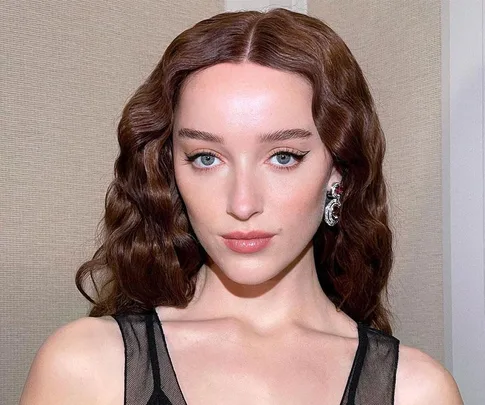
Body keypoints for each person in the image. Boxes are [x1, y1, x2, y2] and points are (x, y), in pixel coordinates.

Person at [20, 8, 463, 405]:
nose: (242, 203)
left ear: (338, 172)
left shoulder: (416, 390)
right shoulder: (86, 368)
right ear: (170, 168)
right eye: (206, 158)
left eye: (283, 157)